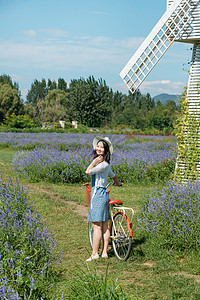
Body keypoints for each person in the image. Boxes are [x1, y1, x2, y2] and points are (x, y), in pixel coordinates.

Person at [85, 136, 122, 262]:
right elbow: (114, 176)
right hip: (104, 194)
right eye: (98, 146)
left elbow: (88, 171)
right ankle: (104, 252)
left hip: (98, 195)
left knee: (97, 226)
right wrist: (118, 183)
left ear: (106, 151)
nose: (99, 148)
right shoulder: (107, 165)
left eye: (102, 147)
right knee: (105, 224)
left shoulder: (102, 165)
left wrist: (93, 162)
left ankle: (95, 253)